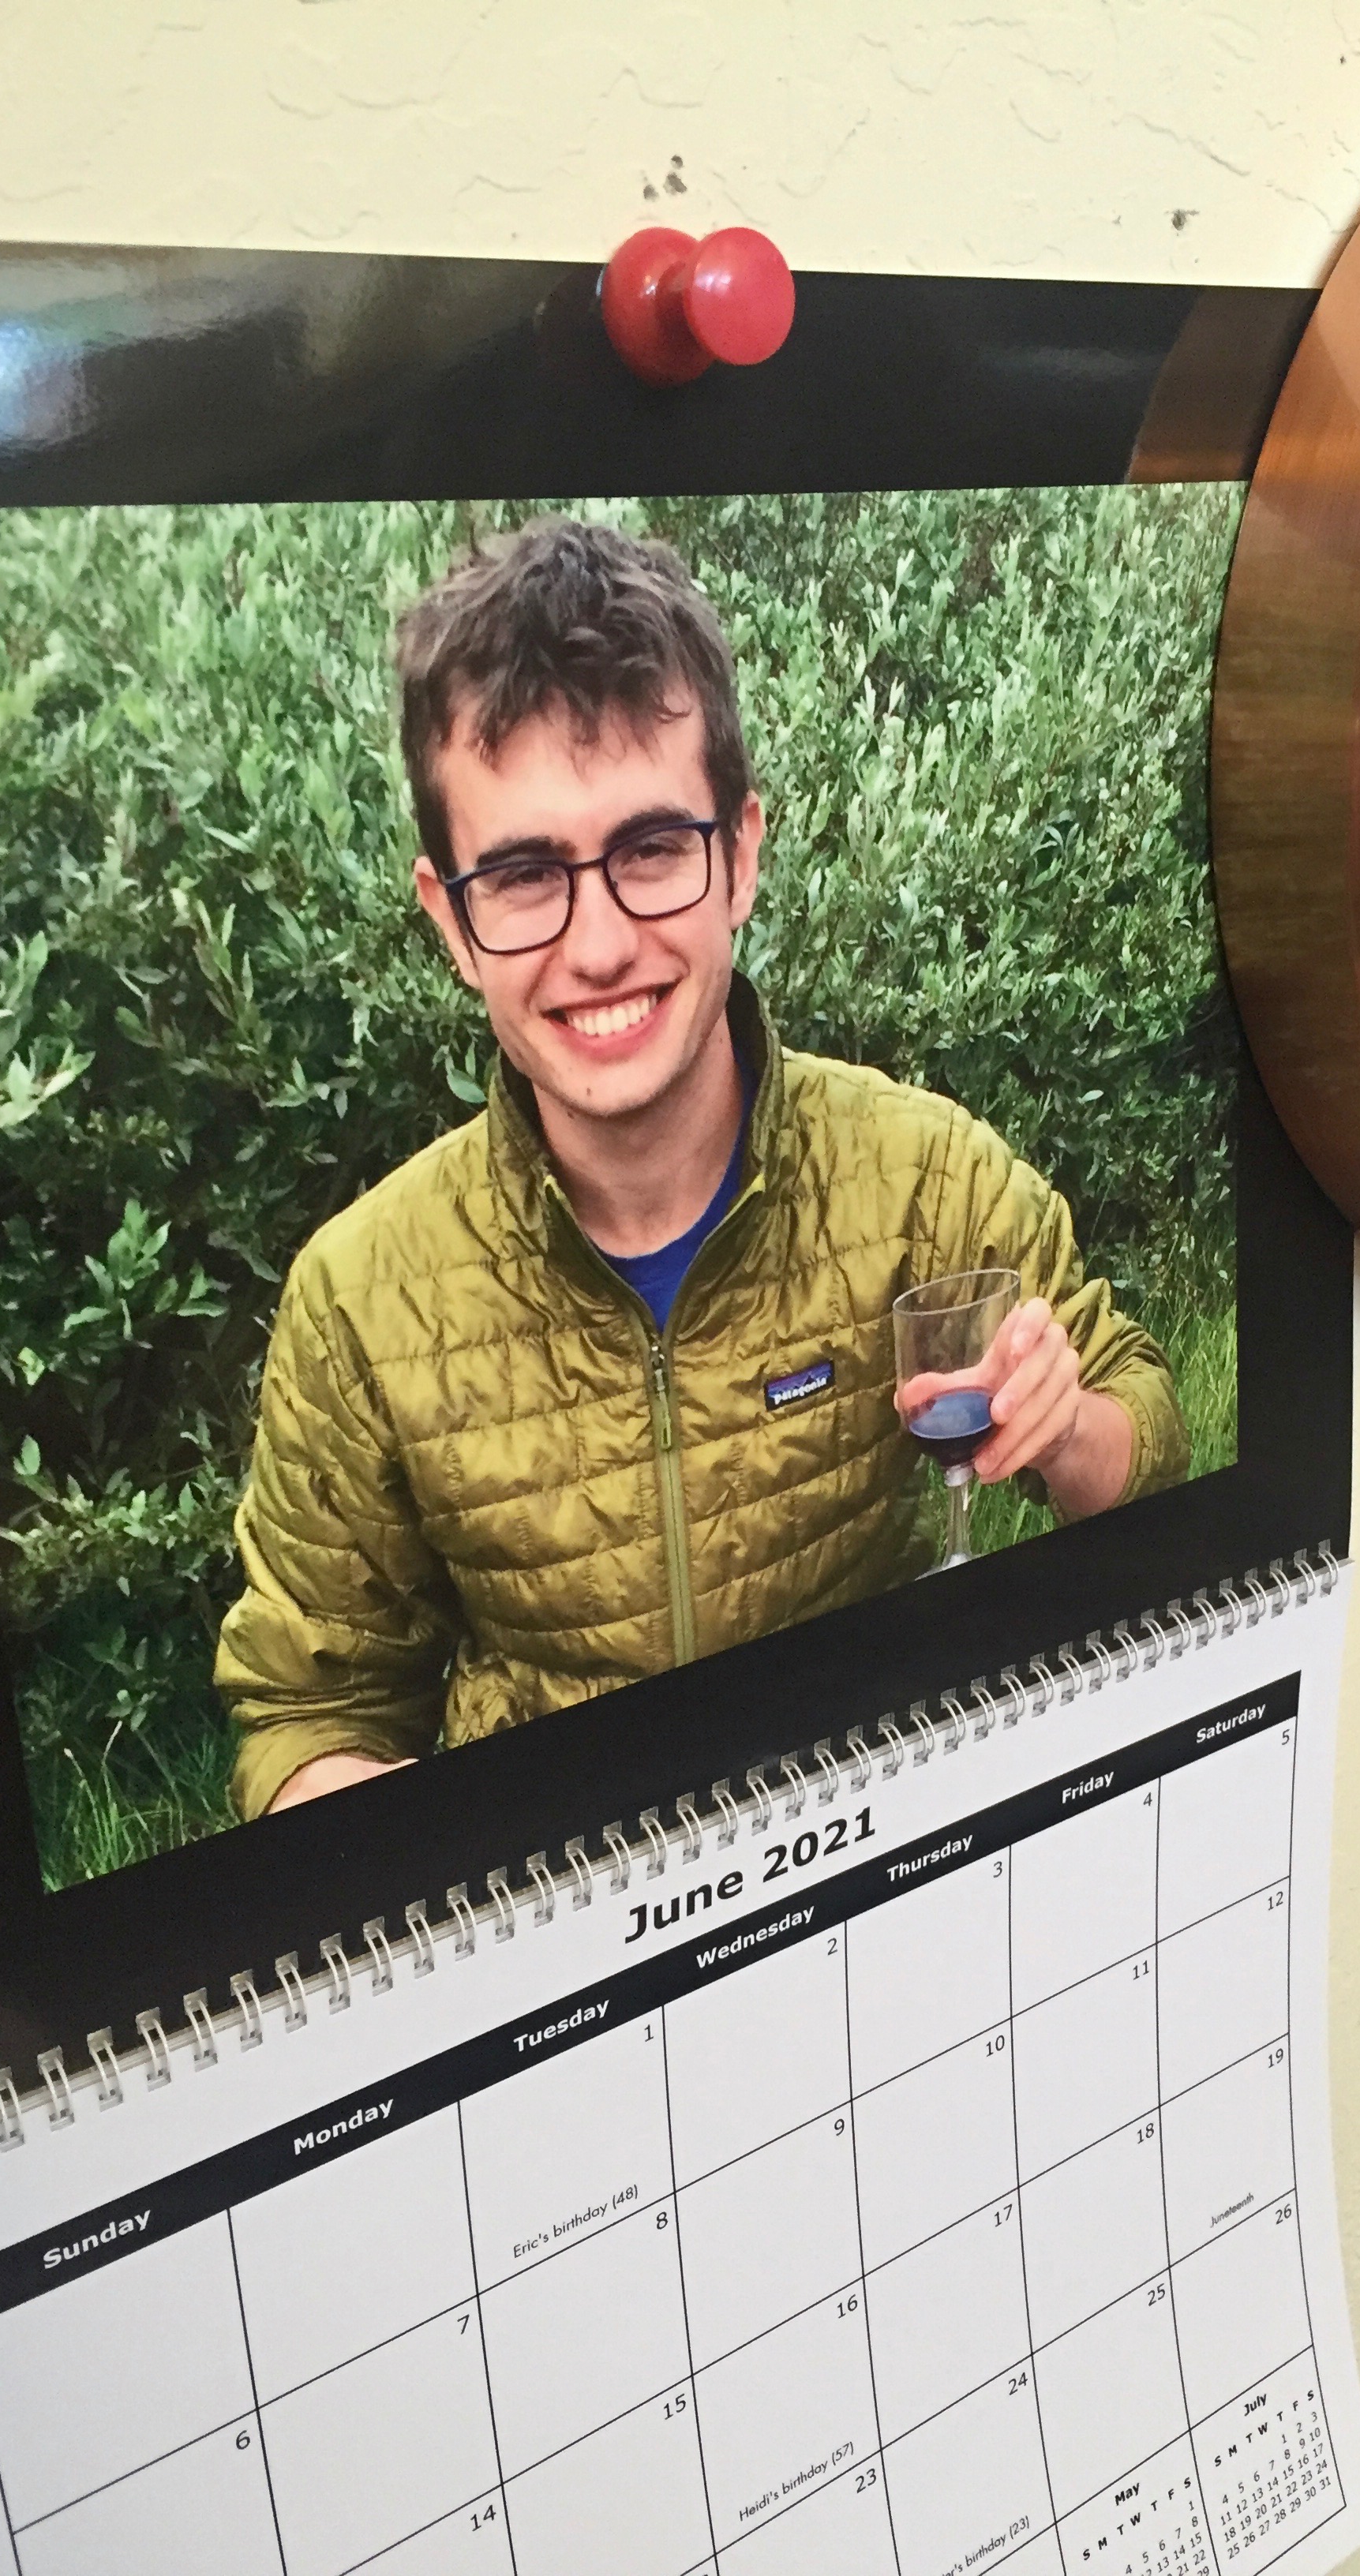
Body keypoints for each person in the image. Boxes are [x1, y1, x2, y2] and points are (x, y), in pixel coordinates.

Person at [217, 518, 1188, 1821]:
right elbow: (309, 1710)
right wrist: (415, 1854)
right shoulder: (359, 1298)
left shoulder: (922, 1173)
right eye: (523, 875)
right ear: (451, 920)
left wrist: (1066, 1430)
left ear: (740, 856)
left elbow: (1148, 1441)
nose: (599, 946)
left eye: (651, 850)